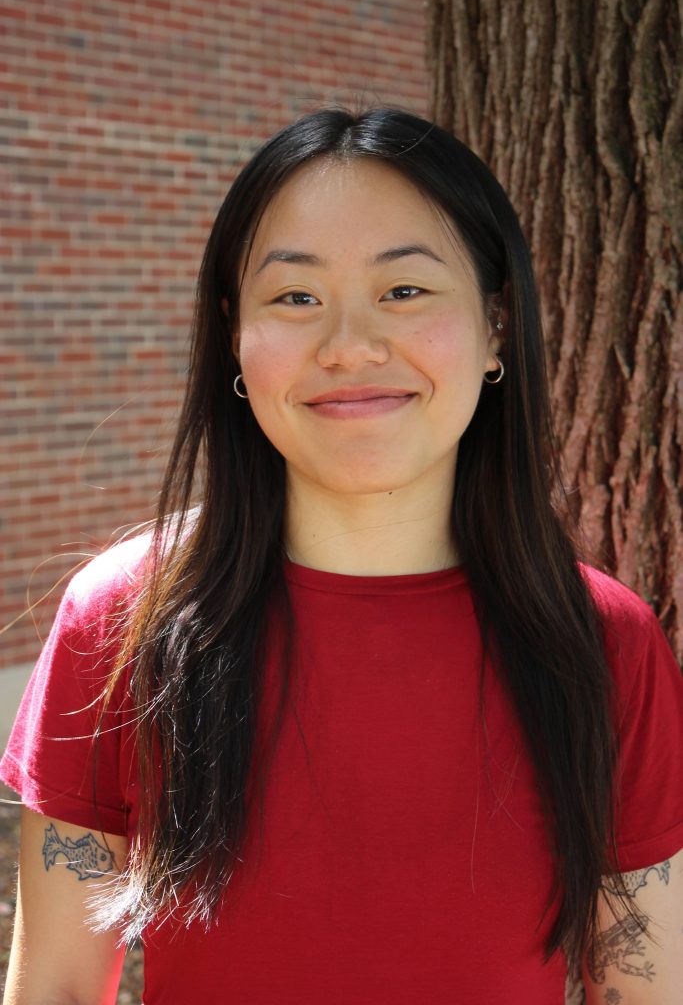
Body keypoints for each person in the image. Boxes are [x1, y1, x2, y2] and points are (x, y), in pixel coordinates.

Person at [2, 106, 682, 1005]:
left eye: (403, 292)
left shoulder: (599, 643)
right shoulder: (125, 618)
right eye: (294, 297)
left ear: (495, 326)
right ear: (234, 339)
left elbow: (644, 991)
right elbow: (51, 989)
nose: (348, 347)